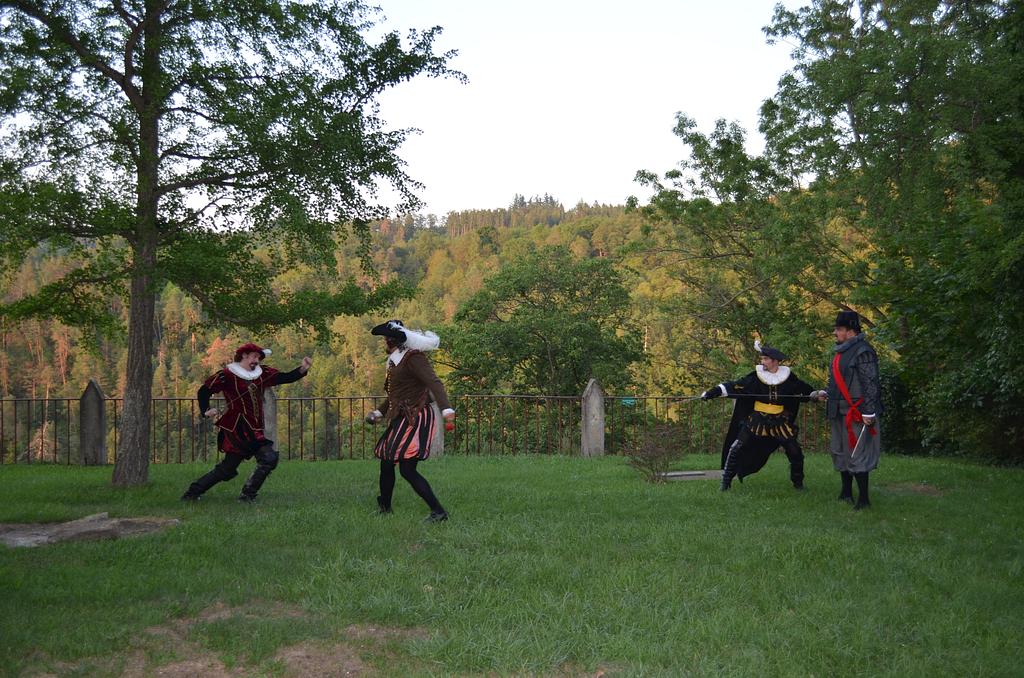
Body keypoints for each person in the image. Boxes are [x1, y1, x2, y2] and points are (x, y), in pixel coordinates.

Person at [181, 343, 311, 502]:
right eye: (254, 357)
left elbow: (284, 377)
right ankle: (246, 495)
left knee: (228, 468)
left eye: (259, 358)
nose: (257, 361)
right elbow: (204, 390)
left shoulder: (262, 374)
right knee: (267, 458)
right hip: (237, 428)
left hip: (254, 427)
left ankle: (194, 493)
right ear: (244, 355)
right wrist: (205, 410)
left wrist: (302, 369)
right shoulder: (227, 375)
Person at [365, 320, 454, 523]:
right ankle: (385, 508)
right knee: (387, 463)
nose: (384, 342)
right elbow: (396, 394)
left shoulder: (414, 358)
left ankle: (438, 512)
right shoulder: (396, 360)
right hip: (402, 416)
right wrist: (380, 412)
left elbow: (434, 382)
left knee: (406, 469)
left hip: (416, 417)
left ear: (393, 340)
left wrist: (446, 408)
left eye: (386, 338)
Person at [702, 340, 819, 491]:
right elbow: (735, 385)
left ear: (775, 361)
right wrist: (713, 392)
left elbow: (805, 390)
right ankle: (725, 483)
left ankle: (798, 484)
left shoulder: (789, 378)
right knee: (736, 447)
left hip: (780, 421)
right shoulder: (756, 377)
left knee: (795, 451)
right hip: (756, 420)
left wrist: (817, 394)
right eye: (762, 358)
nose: (762, 361)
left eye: (765, 359)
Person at [815, 311, 882, 510]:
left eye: (839, 329)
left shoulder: (863, 351)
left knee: (857, 454)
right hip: (839, 410)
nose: (835, 333)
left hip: (857, 412)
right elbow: (836, 381)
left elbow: (870, 383)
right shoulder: (841, 352)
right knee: (840, 452)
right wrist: (826, 393)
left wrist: (869, 412)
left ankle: (864, 499)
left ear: (851, 331)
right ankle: (846, 493)